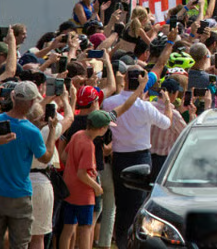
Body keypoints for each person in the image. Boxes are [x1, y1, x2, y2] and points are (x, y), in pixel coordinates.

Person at [101, 67, 172, 249]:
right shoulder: (145, 107)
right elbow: (166, 124)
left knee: (121, 203)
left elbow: (110, 123)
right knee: (138, 204)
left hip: (119, 157)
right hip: (140, 157)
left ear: (125, 79)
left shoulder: (109, 103)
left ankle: (122, 242)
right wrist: (168, 105)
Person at [0, 81, 58, 249]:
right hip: (19, 194)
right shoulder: (32, 132)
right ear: (32, 102)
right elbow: (46, 158)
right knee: (20, 244)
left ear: (13, 97)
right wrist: (52, 130)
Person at [60, 111, 112, 249]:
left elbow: (64, 156)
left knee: (68, 228)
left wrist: (72, 167)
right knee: (85, 229)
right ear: (101, 128)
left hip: (69, 190)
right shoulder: (89, 145)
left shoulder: (77, 135)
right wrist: (96, 187)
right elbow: (82, 174)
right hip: (84, 195)